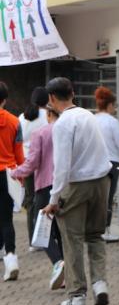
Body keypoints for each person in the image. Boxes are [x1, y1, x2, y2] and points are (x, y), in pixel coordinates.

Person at [42, 77, 112, 305]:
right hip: (101, 182)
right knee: (95, 235)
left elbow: (61, 167)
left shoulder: (62, 125)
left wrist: (53, 200)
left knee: (72, 241)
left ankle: (77, 295)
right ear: (72, 93)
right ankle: (100, 284)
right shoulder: (88, 115)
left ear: (51, 99)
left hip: (76, 185)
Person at [10, 105, 65, 290]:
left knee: (42, 229)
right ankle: (67, 270)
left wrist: (16, 172)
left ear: (49, 113)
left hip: (45, 186)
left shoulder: (40, 133)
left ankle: (58, 263)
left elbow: (32, 162)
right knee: (60, 230)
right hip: (65, 185)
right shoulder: (67, 130)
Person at [94, 86, 119, 243]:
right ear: (109, 105)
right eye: (114, 105)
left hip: (94, 163)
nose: (115, 109)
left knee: (96, 198)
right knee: (109, 197)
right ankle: (105, 230)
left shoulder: (91, 120)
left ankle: (94, 229)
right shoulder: (112, 122)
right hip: (112, 163)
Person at [18, 86, 49, 251]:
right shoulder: (49, 116)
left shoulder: (22, 117)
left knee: (30, 202)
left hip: (27, 163)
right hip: (44, 164)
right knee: (44, 200)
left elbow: (19, 141)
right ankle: (46, 239)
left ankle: (33, 242)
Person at [0, 81, 25, 281]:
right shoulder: (14, 121)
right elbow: (19, 152)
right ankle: (11, 258)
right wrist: (21, 175)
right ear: (5, 100)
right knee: (6, 219)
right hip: (8, 174)